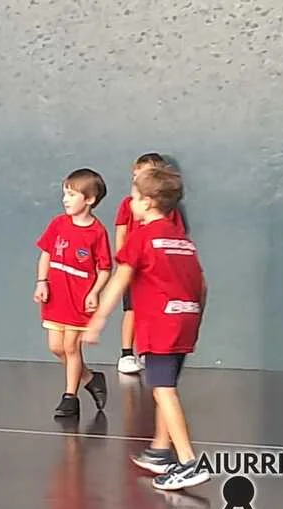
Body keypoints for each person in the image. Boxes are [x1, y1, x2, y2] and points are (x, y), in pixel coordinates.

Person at [84, 164, 208, 490]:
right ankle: (161, 450)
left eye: (134, 197)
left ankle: (189, 462)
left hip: (161, 325)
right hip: (186, 320)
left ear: (148, 202)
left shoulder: (142, 237)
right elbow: (202, 285)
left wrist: (98, 320)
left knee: (163, 390)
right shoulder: (182, 241)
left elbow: (119, 280)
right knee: (165, 387)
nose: (131, 203)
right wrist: (195, 318)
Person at [33, 168, 111, 418]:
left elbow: (105, 269)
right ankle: (89, 378)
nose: (65, 199)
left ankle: (70, 397)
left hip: (78, 298)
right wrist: (42, 282)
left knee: (71, 347)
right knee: (56, 347)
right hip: (56, 296)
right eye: (64, 194)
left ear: (89, 199)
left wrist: (94, 292)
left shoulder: (97, 232)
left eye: (72, 194)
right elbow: (46, 254)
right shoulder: (58, 224)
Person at [114, 153, 183, 374]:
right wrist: (123, 262)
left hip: (157, 271)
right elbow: (121, 232)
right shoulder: (128, 205)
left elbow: (176, 238)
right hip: (135, 267)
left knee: (153, 311)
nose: (137, 180)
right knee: (132, 309)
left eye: (144, 175)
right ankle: (126, 354)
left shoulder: (170, 213)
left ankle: (149, 351)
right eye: (135, 175)